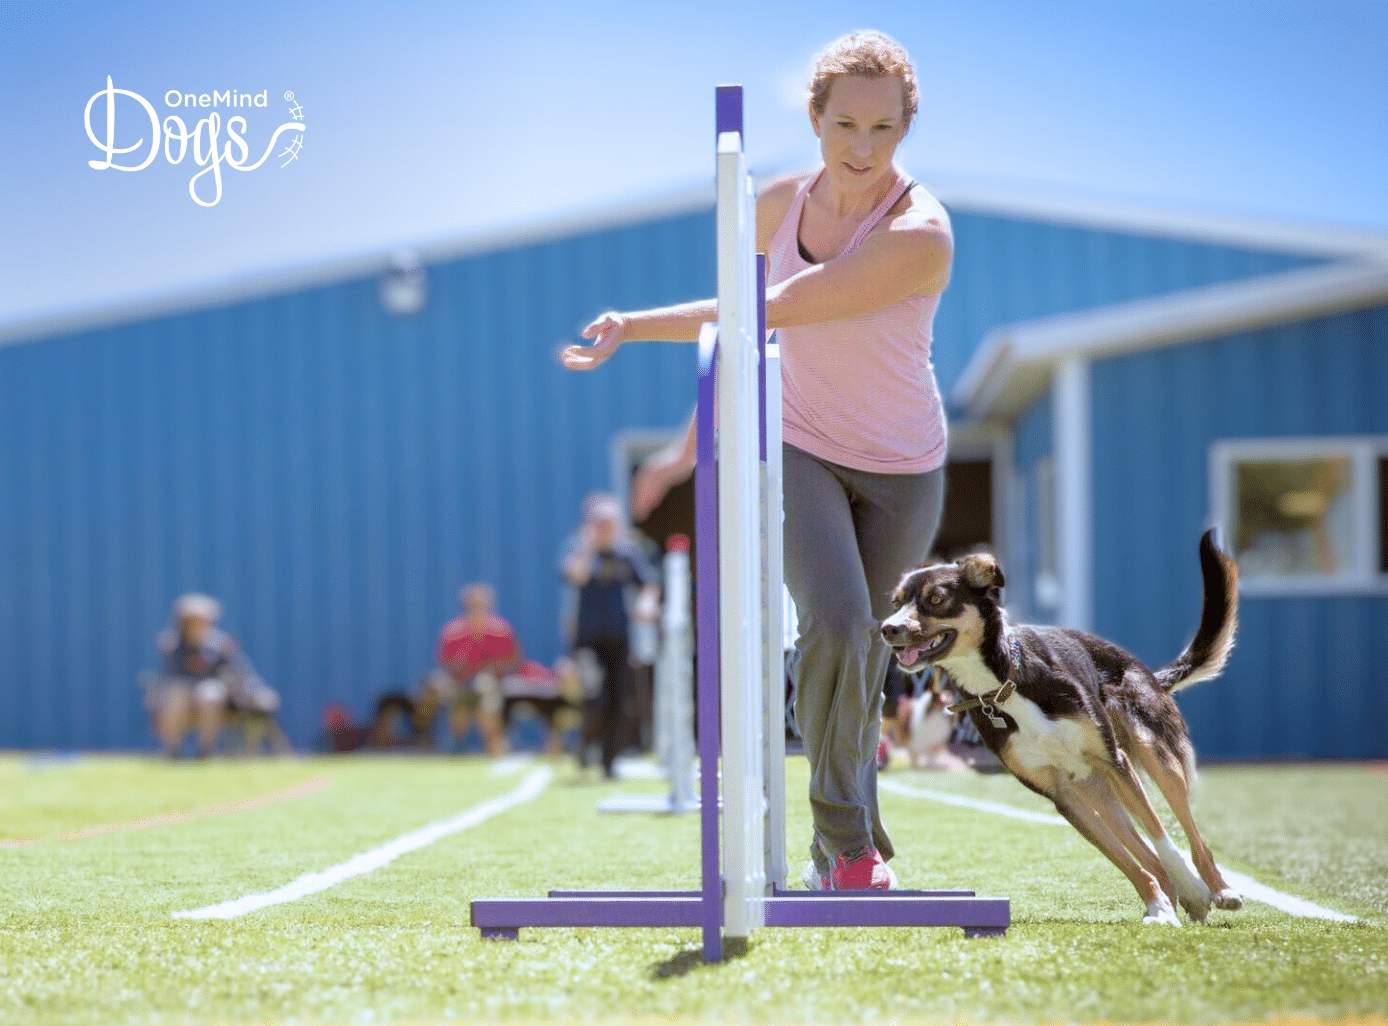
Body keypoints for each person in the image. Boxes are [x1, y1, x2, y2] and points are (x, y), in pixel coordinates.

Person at [562, 31, 952, 889]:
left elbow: (767, 310)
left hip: (904, 465)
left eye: (883, 128)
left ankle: (847, 821)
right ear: (814, 118)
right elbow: (738, 345)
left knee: (869, 649)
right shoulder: (776, 205)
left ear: (905, 128)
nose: (862, 146)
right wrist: (675, 433)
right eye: (844, 122)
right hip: (803, 442)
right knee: (842, 625)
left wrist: (642, 323)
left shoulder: (920, 235)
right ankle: (849, 847)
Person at [560, 494, 660, 779]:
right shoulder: (578, 551)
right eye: (599, 523)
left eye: (610, 523)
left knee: (618, 701)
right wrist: (589, 548)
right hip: (587, 640)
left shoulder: (627, 553)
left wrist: (646, 602)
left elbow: (649, 584)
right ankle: (586, 745)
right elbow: (575, 576)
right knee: (593, 695)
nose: (605, 528)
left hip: (619, 638)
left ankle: (608, 762)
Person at [143, 592, 278, 757]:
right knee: (177, 693)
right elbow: (168, 678)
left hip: (217, 704)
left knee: (209, 692)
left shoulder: (221, 645)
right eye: (193, 621)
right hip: (180, 703)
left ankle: (205, 751)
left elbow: (243, 674)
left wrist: (259, 691)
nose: (200, 625)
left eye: (204, 621)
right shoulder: (171, 645)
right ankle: (173, 750)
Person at [434, 583, 522, 756]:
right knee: (451, 694)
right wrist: (462, 670)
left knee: (485, 689)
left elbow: (513, 661)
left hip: (493, 686)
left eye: (481, 605)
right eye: (472, 605)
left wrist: (489, 670)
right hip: (461, 685)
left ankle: (495, 742)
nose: (477, 609)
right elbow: (445, 662)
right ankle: (455, 741)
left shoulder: (501, 629)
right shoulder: (452, 631)